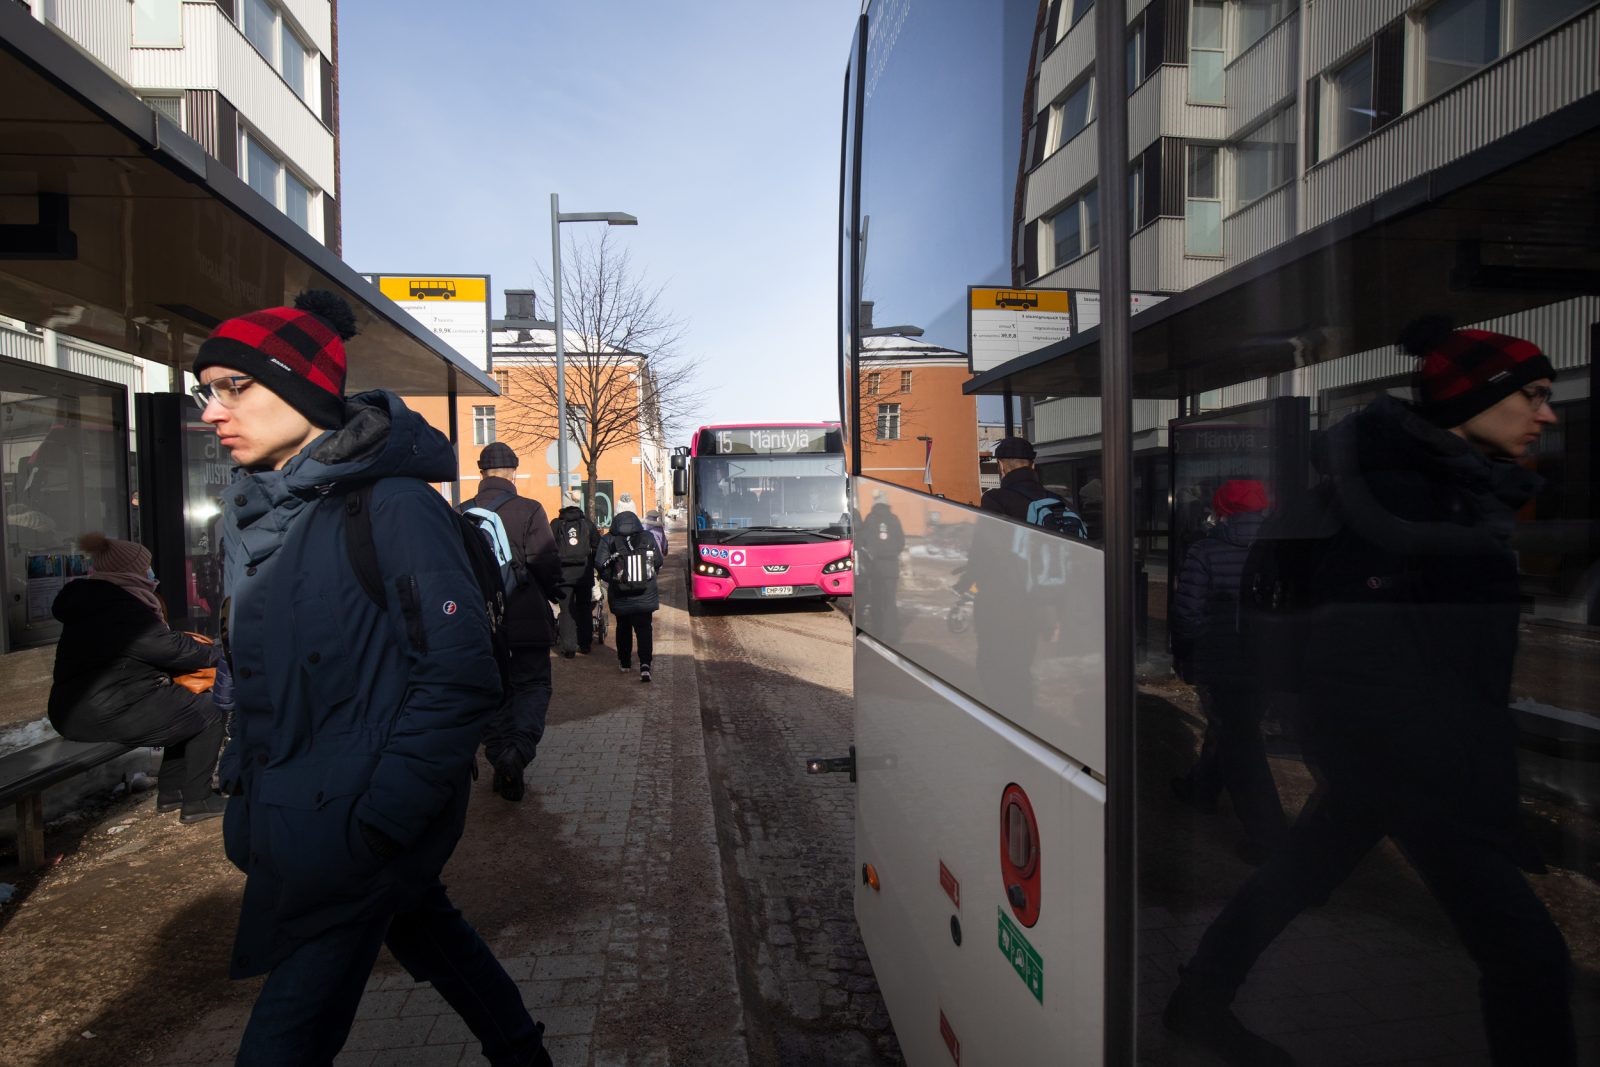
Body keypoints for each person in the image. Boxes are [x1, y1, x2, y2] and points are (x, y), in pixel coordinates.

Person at [1165, 320, 1572, 1067]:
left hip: (1394, 758)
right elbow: (1373, 652)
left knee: (1293, 878)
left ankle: (1198, 999)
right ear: (1472, 399)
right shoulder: (1406, 502)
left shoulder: (1426, 491)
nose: (1547, 415)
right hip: (1418, 766)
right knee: (1530, 959)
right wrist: (1455, 776)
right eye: (1535, 395)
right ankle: (1198, 999)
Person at [193, 290, 551, 1067]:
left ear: (301, 387)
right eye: (205, 390)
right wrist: (243, 784)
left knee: (279, 1043)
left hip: (355, 825)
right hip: (299, 810)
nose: (212, 410)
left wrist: (381, 820)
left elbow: (458, 676)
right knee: (427, 924)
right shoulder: (249, 518)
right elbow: (255, 670)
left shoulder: (393, 507)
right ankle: (523, 1052)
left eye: (234, 385)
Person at [47, 532, 226, 823]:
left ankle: (173, 792)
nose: (150, 573)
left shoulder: (95, 599)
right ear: (128, 569)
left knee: (183, 706)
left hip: (77, 710)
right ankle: (198, 799)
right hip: (106, 710)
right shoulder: (119, 605)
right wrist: (217, 654)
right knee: (210, 712)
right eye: (145, 566)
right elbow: (164, 647)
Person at [1169, 478, 1286, 864]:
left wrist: (1186, 652)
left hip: (1221, 662)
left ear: (1222, 510)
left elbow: (1187, 612)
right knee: (1233, 726)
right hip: (1266, 661)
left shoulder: (1206, 550)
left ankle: (1269, 835)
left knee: (1241, 743)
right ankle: (1200, 789)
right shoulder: (1279, 550)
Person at [462, 443, 561, 803]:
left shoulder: (461, 515)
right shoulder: (529, 510)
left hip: (480, 626)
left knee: (493, 694)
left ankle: (500, 754)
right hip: (526, 620)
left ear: (481, 472)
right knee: (533, 687)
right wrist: (554, 595)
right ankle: (516, 754)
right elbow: (546, 561)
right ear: (514, 472)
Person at [595, 509, 664, 683]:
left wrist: (613, 579)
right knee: (644, 629)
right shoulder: (646, 537)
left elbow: (600, 564)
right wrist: (647, 577)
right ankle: (645, 665)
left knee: (623, 627)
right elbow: (658, 561)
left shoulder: (608, 539)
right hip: (645, 593)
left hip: (620, 594)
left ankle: (625, 663)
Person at [551, 490, 601, 657]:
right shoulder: (587, 524)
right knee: (584, 608)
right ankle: (585, 644)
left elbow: (548, 549)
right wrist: (590, 564)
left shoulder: (555, 525)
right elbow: (597, 546)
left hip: (562, 575)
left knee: (565, 610)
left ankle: (569, 648)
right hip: (584, 575)